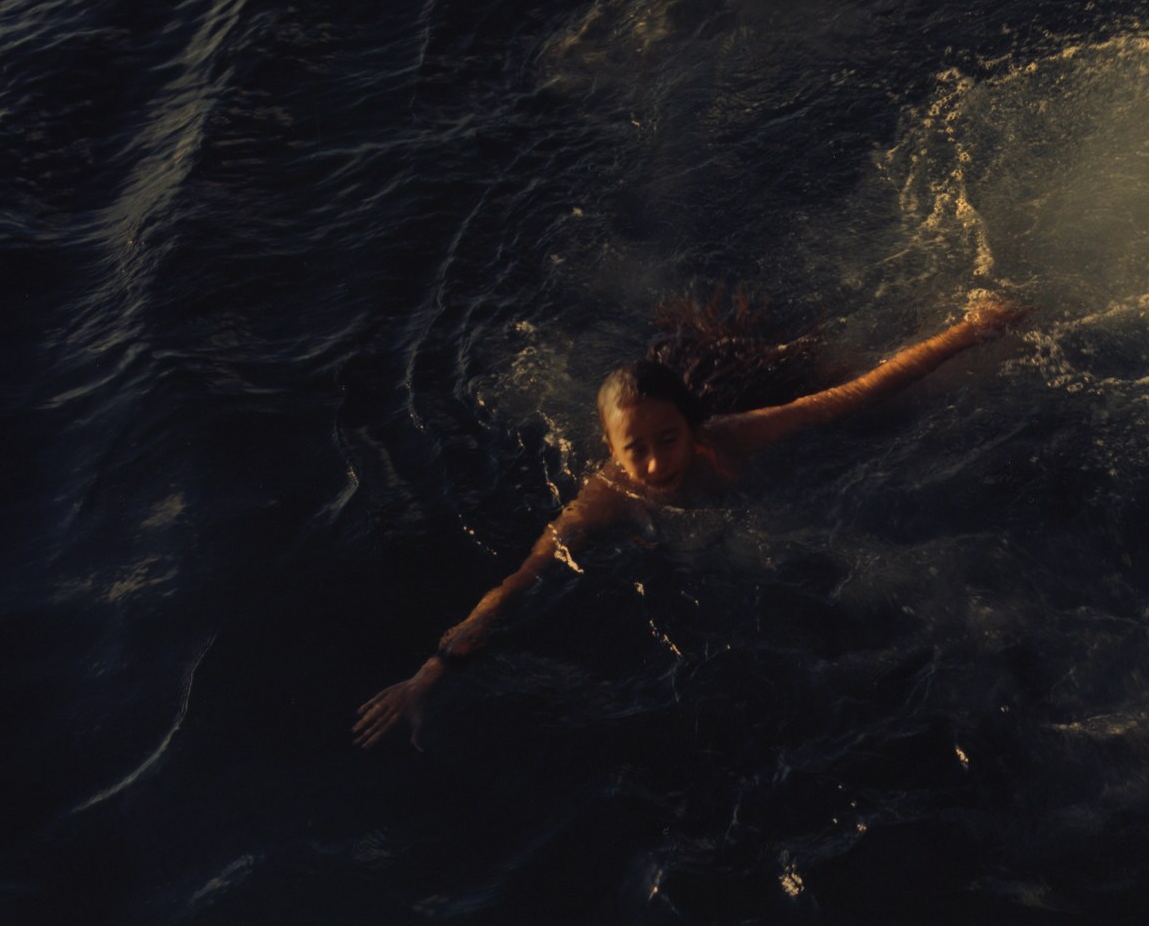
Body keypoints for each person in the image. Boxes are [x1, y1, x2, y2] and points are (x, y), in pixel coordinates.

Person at [355, 296, 1029, 749]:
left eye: (667, 440)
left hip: (745, 386)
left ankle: (716, 335)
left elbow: (855, 393)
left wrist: (971, 331)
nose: (653, 465)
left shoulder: (731, 436)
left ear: (693, 428)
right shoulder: (604, 496)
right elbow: (523, 577)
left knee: (831, 367)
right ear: (612, 454)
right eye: (634, 450)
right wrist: (433, 670)